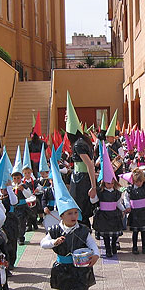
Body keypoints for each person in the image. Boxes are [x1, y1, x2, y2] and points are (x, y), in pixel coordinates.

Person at [40, 145, 99, 290]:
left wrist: (95, 254)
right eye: (69, 214)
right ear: (62, 216)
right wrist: (53, 242)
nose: (73, 216)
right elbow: (43, 243)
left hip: (80, 267)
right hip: (63, 267)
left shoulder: (82, 230)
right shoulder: (56, 229)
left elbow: (91, 244)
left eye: (76, 213)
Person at [66, 97, 97, 229]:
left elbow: (89, 164)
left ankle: (83, 232)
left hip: (80, 180)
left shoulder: (78, 145)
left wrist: (93, 185)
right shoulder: (84, 141)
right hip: (81, 177)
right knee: (82, 208)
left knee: (80, 207)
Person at [91, 144, 124, 258]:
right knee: (105, 235)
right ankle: (108, 249)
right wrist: (92, 195)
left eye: (111, 183)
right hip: (104, 215)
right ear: (104, 182)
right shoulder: (101, 192)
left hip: (114, 214)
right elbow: (94, 201)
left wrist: (124, 210)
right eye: (107, 183)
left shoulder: (117, 193)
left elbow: (118, 203)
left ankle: (114, 245)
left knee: (114, 233)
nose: (109, 185)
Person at [124, 168, 145, 254]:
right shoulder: (129, 189)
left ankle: (144, 247)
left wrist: (141, 171)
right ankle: (134, 247)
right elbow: (126, 198)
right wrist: (128, 206)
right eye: (137, 181)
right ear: (133, 180)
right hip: (135, 212)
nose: (139, 183)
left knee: (144, 231)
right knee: (135, 231)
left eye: (141, 181)